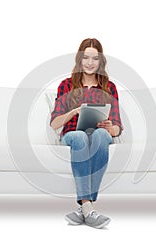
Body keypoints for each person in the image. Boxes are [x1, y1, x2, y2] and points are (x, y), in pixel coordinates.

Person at [50, 38, 123, 229]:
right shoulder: (66, 85)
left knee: (100, 135)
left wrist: (109, 127)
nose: (90, 63)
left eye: (95, 58)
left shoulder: (109, 87)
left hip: (100, 134)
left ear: (101, 62)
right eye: (86, 58)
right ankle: (88, 207)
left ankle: (84, 207)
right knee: (80, 136)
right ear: (79, 60)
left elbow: (117, 128)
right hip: (73, 135)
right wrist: (74, 112)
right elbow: (54, 123)